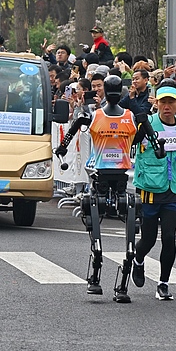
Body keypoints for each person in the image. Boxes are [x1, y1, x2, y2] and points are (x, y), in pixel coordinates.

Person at [56, 75, 158, 302]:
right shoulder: (131, 117)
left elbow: (74, 129)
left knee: (95, 214)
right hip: (119, 174)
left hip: (102, 173)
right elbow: (146, 137)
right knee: (128, 216)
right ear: (120, 91)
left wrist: (61, 148)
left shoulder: (95, 116)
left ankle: (96, 270)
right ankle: (121, 284)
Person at [131, 80, 176, 301]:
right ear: (156, 102)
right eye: (163, 102)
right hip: (151, 186)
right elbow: (131, 145)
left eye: (171, 102)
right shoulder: (146, 124)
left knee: (170, 238)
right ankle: (138, 259)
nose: (167, 106)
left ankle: (163, 283)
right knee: (149, 239)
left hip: (174, 187)